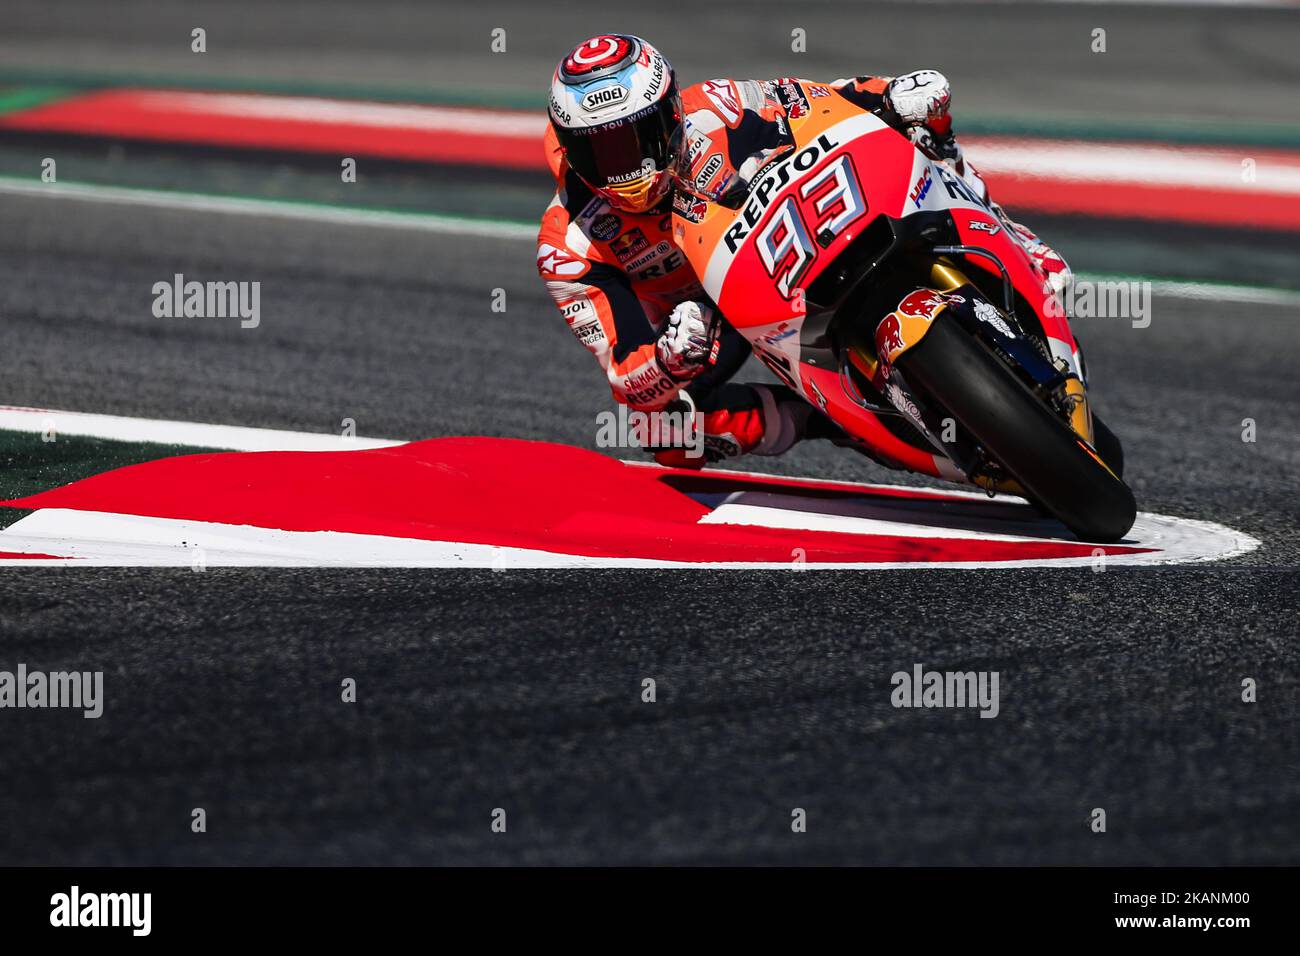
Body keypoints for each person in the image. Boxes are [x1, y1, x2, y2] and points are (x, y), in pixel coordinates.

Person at [537, 34, 1070, 466]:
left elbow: (817, 100)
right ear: (569, 148)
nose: (625, 168)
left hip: (792, 230)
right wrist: (668, 361)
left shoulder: (719, 107)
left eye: (636, 139)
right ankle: (827, 420)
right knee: (661, 430)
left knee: (923, 124)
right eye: (599, 151)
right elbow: (626, 372)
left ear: (671, 115)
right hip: (711, 320)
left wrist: (888, 97)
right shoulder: (569, 244)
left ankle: (1012, 235)